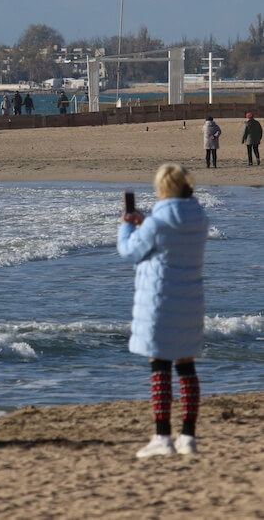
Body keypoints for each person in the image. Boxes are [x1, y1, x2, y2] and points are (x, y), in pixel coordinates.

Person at [118, 164, 208, 458]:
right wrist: (146, 222)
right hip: (190, 299)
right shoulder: (199, 218)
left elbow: (130, 251)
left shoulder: (157, 223)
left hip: (160, 300)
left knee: (160, 367)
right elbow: (170, 241)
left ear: (163, 189)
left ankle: (162, 437)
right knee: (187, 368)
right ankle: (189, 436)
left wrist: (128, 226)